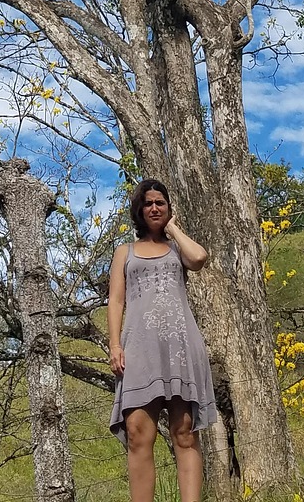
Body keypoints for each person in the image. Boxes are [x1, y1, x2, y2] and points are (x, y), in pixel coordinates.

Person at [107, 179, 217, 502]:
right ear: (139, 210)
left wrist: (173, 229)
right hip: (139, 352)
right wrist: (115, 345)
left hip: (181, 350)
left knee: (185, 433)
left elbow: (199, 258)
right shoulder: (124, 253)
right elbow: (115, 301)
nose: (154, 207)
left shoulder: (176, 249)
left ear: (168, 208)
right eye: (148, 203)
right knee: (140, 434)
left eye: (161, 203)